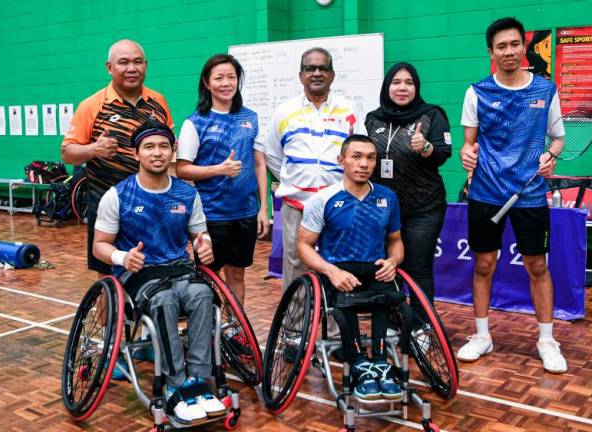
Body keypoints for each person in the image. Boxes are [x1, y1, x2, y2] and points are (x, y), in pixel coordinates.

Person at [93, 119, 226, 424]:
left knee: (203, 292)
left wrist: (204, 246)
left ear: (172, 151)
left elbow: (199, 234)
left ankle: (200, 381)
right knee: (163, 300)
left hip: (178, 268)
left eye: (164, 146)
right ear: (136, 153)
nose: (157, 153)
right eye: (149, 147)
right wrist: (121, 256)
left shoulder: (186, 194)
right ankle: (175, 384)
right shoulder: (117, 195)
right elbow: (99, 245)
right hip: (138, 273)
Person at [458, 17, 568, 373]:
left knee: (538, 266)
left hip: (531, 192)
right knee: (484, 265)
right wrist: (466, 155)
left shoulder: (545, 90)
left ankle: (547, 341)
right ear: (491, 52)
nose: (509, 51)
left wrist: (551, 156)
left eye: (514, 44)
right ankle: (482, 336)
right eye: (501, 46)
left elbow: (558, 138)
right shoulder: (476, 91)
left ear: (524, 47)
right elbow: (469, 145)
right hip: (487, 191)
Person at [297, 134, 404, 400]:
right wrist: (331, 272)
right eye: (356, 157)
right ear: (341, 160)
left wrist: (393, 261)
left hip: (374, 267)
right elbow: (303, 246)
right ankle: (358, 363)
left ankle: (379, 362)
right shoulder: (323, 200)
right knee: (345, 302)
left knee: (386, 297)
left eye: (370, 158)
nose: (364, 164)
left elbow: (396, 241)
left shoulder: (387, 197)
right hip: (339, 270)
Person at [61, 39, 174, 276]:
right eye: (123, 62)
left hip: (152, 205)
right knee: (110, 280)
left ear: (146, 65)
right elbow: (67, 153)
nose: (132, 68)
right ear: (109, 67)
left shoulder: (159, 101)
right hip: (108, 206)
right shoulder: (91, 106)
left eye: (138, 62)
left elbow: (169, 148)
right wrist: (93, 149)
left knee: (155, 271)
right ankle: (111, 315)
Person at [262, 47, 365, 292]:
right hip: (297, 206)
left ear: (332, 75)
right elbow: (273, 155)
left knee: (336, 265)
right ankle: (296, 328)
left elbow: (360, 153)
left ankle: (333, 329)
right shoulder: (285, 111)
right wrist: (296, 182)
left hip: (338, 206)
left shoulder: (348, 111)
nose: (317, 73)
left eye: (323, 68)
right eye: (310, 68)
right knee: (296, 267)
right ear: (301, 75)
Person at [175, 54, 268, 310]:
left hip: (246, 213)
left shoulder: (251, 118)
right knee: (206, 276)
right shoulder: (195, 123)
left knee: (237, 274)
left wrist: (263, 208)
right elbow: (182, 169)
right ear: (207, 82)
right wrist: (219, 169)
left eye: (231, 77)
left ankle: (234, 330)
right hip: (210, 215)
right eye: (219, 78)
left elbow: (260, 164)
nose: (226, 83)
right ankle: (204, 327)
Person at [365, 62, 452, 316]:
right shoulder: (373, 119)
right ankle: (393, 322)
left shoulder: (432, 114)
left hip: (424, 208)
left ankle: (422, 327)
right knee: (386, 267)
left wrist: (425, 147)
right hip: (384, 210)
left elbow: (443, 154)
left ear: (416, 87)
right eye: (396, 82)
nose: (402, 88)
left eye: (409, 83)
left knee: (418, 268)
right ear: (387, 87)